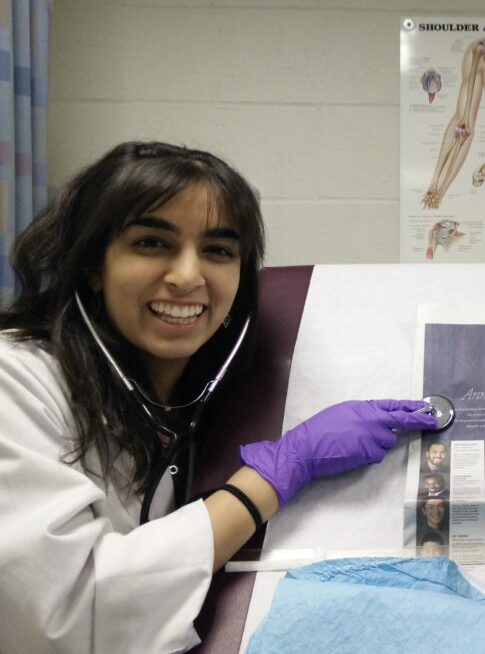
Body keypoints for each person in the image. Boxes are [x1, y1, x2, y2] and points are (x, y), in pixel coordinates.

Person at [0, 142, 437, 654]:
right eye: (151, 243)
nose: (188, 276)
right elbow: (63, 616)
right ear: (94, 264)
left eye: (218, 251)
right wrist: (270, 477)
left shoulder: (190, 391)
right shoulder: (17, 379)